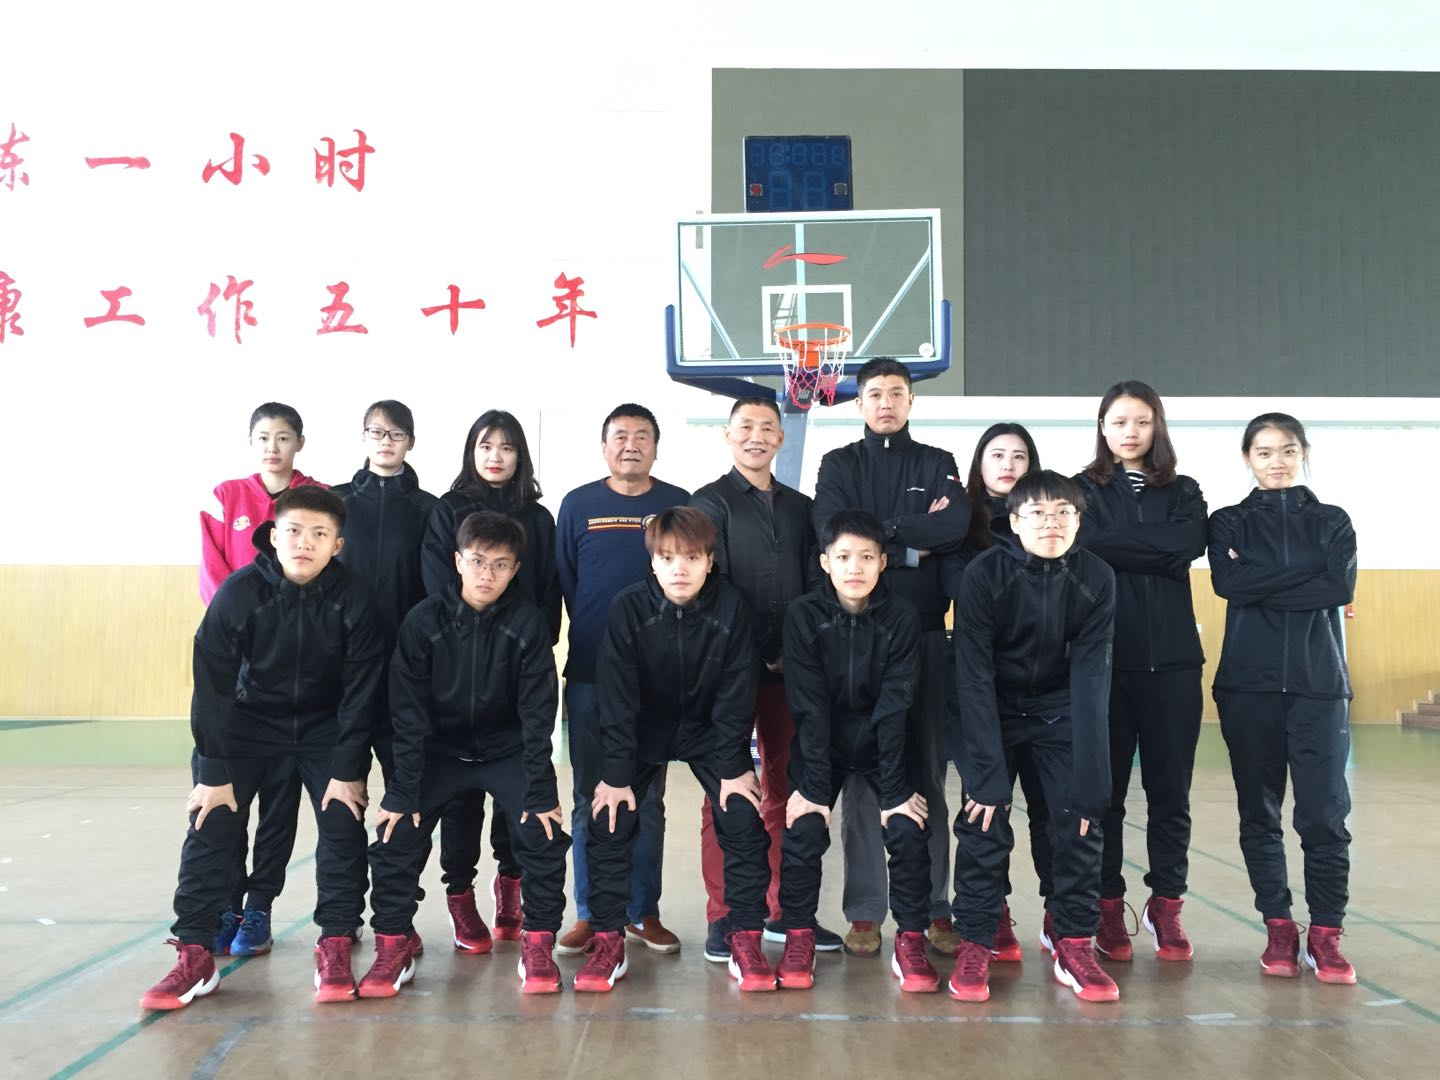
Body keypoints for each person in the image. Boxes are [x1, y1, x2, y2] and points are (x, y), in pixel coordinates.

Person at [141, 487, 380, 1010]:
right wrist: (212, 769)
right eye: (293, 531)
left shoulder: (355, 600)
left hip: (323, 728)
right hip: (248, 724)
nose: (304, 543)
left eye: (319, 534)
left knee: (342, 821)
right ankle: (195, 952)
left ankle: (336, 942)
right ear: (273, 537)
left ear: (337, 545)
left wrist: (347, 767)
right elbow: (212, 686)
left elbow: (363, 691)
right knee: (211, 821)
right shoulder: (239, 594)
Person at [362, 511, 571, 997]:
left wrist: (540, 790)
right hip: (441, 751)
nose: (486, 574)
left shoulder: (528, 624)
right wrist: (402, 789)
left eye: (500, 565)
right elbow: (407, 714)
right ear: (457, 561)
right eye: (477, 561)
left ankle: (538, 943)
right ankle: (392, 944)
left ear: (515, 570)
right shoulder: (422, 623)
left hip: (506, 751)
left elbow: (538, 713)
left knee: (542, 831)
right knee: (396, 832)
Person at [578, 508, 774, 992]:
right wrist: (616, 773)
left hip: (711, 731)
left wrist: (732, 764)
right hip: (644, 730)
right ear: (652, 563)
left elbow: (738, 688)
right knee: (609, 819)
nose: (679, 569)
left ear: (709, 560)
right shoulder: (628, 608)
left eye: (691, 558)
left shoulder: (732, 605)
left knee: (743, 819)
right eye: (667, 558)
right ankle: (608, 940)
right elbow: (617, 695)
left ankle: (745, 937)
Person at [812, 358, 969, 957]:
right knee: (862, 775)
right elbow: (830, 529)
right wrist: (907, 547)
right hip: (855, 637)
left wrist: (877, 533)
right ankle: (864, 911)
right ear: (858, 403)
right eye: (874, 393)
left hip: (925, 636)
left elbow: (952, 528)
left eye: (896, 393)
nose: (885, 402)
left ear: (910, 401)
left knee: (926, 771)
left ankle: (934, 907)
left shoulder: (936, 462)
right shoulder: (839, 464)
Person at [948, 470, 1119, 1004]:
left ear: (1079, 521)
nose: (1052, 524)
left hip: (1059, 710)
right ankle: (977, 940)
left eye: (1064, 513)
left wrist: (1092, 779)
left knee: (1079, 821)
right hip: (992, 709)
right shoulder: (983, 574)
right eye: (1038, 514)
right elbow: (972, 675)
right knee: (984, 819)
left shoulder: (1097, 578)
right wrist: (985, 774)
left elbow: (1092, 680)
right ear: (1014, 522)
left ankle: (1073, 941)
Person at [1209, 413, 1357, 985]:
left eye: (1288, 450)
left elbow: (1338, 586)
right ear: (1248, 458)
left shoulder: (1333, 521)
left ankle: (1326, 933)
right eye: (1264, 451)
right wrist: (1302, 578)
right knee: (1260, 813)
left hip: (1320, 687)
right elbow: (1229, 585)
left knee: (1324, 815)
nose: (1277, 461)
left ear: (1303, 453)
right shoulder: (1228, 522)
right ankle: (1278, 926)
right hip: (1248, 686)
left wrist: (1260, 579)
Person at [690, 396, 839, 962]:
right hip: (727, 669)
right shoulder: (709, 502)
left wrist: (792, 650)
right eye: (745, 427)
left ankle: (781, 910)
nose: (756, 436)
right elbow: (715, 584)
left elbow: (815, 583)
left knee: (787, 785)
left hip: (790, 671)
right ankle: (725, 914)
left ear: (781, 438)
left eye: (767, 428)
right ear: (728, 435)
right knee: (725, 790)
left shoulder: (802, 508)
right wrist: (755, 650)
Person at [773, 510, 938, 993]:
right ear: (825, 562)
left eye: (866, 557)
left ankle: (910, 939)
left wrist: (895, 792)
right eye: (843, 557)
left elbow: (896, 704)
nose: (855, 568)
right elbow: (808, 706)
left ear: (883, 562)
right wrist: (814, 789)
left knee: (907, 827)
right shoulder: (803, 615)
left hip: (885, 741)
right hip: (822, 743)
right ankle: (799, 936)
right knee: (805, 828)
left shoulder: (902, 616)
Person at [1074, 382, 1208, 962]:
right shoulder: (1081, 490)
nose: (1130, 432)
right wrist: (1158, 550)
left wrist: (1118, 545)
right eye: (1119, 421)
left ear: (1158, 426)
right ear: (1102, 427)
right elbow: (1085, 545)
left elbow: (1188, 543)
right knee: (1105, 797)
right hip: (1104, 667)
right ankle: (1108, 907)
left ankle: (1167, 905)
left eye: (1142, 421)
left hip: (1173, 666)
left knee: (1170, 794)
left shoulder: (1184, 490)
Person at [419, 410, 562, 948]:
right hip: (456, 671)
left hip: (517, 664)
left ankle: (511, 890)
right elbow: (436, 582)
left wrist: (531, 640)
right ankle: (461, 899)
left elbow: (548, 587)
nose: (495, 456)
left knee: (516, 791)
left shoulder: (539, 518)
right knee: (460, 799)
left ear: (520, 455)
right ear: (471, 452)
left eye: (506, 447)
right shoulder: (447, 510)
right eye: (485, 446)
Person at [555, 404, 688, 956]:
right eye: (620, 436)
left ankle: (641, 911)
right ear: (603, 446)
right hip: (590, 673)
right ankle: (591, 912)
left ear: (656, 446)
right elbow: (567, 580)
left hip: (658, 680)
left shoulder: (677, 503)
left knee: (648, 798)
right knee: (589, 795)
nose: (631, 444)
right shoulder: (578, 504)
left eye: (642, 436)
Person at [196, 402, 323, 957]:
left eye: (284, 437)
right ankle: (226, 905)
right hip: (241, 665)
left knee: (281, 803)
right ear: (252, 443)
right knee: (226, 802)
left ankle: (260, 906)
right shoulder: (225, 496)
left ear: (299, 443)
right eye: (264, 437)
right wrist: (249, 621)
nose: (273, 447)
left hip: (298, 671)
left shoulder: (318, 497)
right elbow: (215, 577)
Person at [332, 400, 437, 955]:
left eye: (396, 433)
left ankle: (398, 913)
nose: (385, 441)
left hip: (406, 678)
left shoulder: (429, 509)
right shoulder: (336, 503)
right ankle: (343, 914)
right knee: (342, 799)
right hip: (342, 678)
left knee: (407, 798)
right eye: (376, 431)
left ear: (410, 441)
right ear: (363, 436)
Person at [951, 423, 1052, 963]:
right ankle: (991, 913)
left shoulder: (1049, 523)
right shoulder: (960, 523)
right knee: (986, 809)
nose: (1008, 464)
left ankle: (1062, 919)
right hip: (979, 685)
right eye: (997, 455)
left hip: (1044, 690)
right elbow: (958, 589)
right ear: (979, 464)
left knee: (1049, 810)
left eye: (1019, 455)